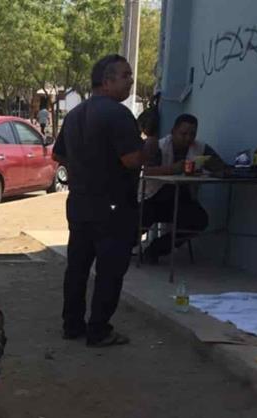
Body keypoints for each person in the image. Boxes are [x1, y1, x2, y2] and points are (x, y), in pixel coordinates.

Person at [52, 54, 158, 347]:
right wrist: (150, 142)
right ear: (107, 80)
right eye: (125, 76)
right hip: (113, 205)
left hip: (80, 202)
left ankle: (72, 325)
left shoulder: (75, 114)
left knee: (78, 266)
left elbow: (58, 155)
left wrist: (84, 164)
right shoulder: (118, 114)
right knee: (110, 270)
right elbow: (132, 160)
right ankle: (99, 329)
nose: (130, 81)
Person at [140, 113, 219, 263]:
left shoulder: (200, 148)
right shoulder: (160, 147)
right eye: (183, 134)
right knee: (134, 226)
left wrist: (212, 168)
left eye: (192, 134)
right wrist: (172, 169)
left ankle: (155, 250)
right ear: (173, 132)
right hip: (153, 197)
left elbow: (218, 165)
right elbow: (147, 170)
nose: (188, 138)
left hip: (181, 199)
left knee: (199, 220)